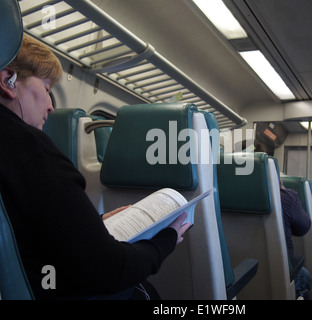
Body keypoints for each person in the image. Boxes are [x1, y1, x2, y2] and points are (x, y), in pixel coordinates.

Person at [0, 34, 191, 300]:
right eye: (46, 89)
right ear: (7, 81)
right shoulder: (33, 151)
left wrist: (92, 224)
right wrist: (165, 241)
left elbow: (25, 235)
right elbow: (110, 270)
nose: (51, 106)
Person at [280, 179, 312, 299]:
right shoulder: (286, 198)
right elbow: (303, 228)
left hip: (233, 270)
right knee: (305, 276)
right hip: (281, 271)